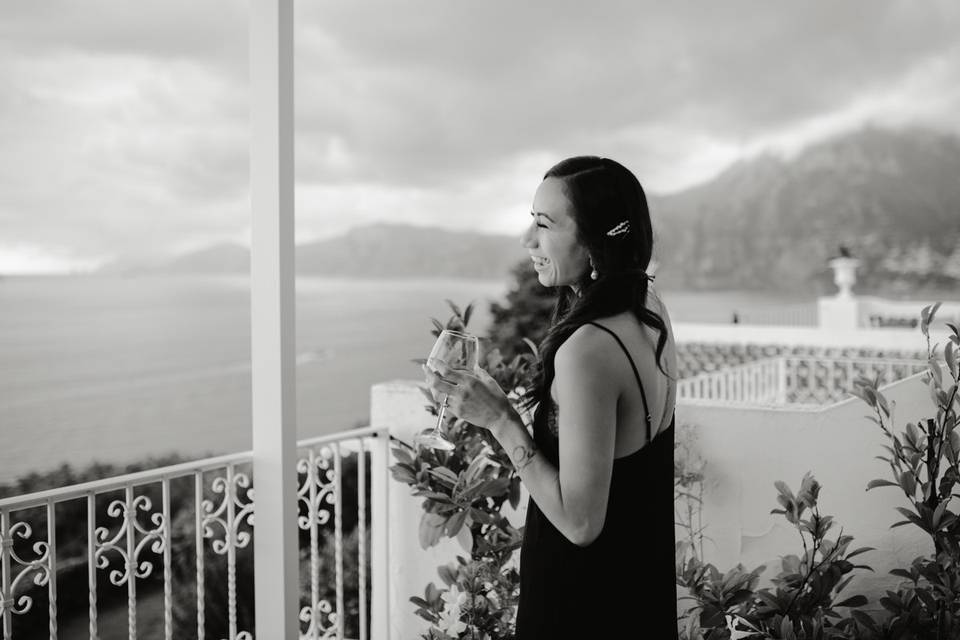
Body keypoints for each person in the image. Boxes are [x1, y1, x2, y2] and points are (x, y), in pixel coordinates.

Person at [424, 156, 679, 638]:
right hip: (635, 592)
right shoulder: (649, 310)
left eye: (544, 224)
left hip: (582, 605)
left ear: (597, 238)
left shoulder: (588, 349)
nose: (527, 241)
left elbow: (581, 523)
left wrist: (500, 421)